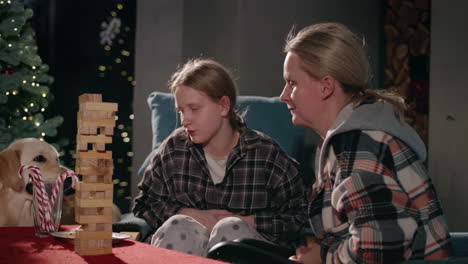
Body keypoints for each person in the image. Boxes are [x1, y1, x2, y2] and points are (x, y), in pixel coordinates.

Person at [280, 23, 452, 263]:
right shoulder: (347, 138)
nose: (283, 95)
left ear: (326, 87)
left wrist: (324, 258)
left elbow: (377, 250)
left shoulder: (359, 144)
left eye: (292, 83)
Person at [133, 58, 308, 257]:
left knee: (230, 228)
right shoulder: (174, 148)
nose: (185, 120)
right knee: (179, 225)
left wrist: (248, 221)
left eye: (194, 109)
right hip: (185, 246)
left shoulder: (265, 154)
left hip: (245, 246)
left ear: (223, 106)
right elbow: (144, 203)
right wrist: (191, 215)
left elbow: (299, 216)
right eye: (181, 111)